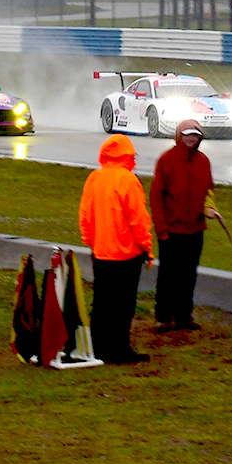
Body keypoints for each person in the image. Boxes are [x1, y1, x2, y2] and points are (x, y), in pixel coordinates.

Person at [79, 134, 154, 364]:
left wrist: (91, 240)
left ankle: (99, 348)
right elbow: (138, 219)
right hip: (126, 254)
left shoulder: (95, 178)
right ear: (129, 155)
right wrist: (147, 247)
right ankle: (120, 349)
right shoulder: (128, 180)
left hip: (101, 251)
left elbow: (85, 214)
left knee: (102, 303)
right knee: (123, 305)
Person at [149, 119, 219, 333]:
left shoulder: (203, 161)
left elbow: (208, 190)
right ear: (179, 135)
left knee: (188, 275)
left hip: (195, 230)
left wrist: (209, 209)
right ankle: (163, 317)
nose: (191, 138)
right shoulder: (167, 160)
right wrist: (161, 228)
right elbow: (156, 196)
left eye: (195, 135)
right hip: (171, 230)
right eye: (187, 134)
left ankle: (184, 316)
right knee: (168, 275)